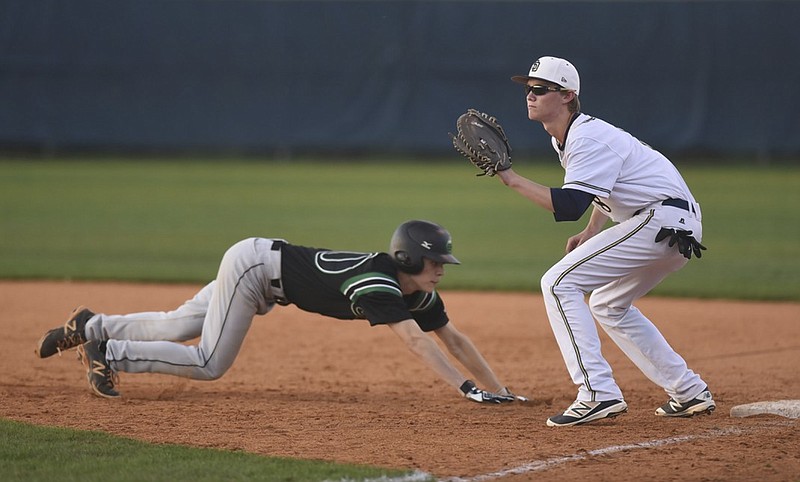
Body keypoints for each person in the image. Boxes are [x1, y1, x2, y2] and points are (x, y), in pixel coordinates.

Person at [36, 220, 524, 404]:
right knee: (209, 362)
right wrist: (466, 389)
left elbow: (452, 338)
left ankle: (89, 326)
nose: (442, 269)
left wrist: (499, 390)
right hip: (254, 271)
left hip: (260, 265)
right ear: (409, 260)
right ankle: (109, 353)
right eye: (436, 261)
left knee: (180, 323)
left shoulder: (416, 292)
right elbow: (416, 341)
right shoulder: (378, 285)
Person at [494, 56, 714, 426]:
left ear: (567, 96)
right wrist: (593, 230)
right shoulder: (568, 136)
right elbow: (603, 190)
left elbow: (568, 205)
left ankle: (597, 392)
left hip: (658, 221)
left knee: (558, 283)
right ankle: (688, 390)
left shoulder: (588, 137)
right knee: (609, 305)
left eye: (539, 89)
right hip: (672, 224)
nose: (529, 96)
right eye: (527, 89)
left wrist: (511, 179)